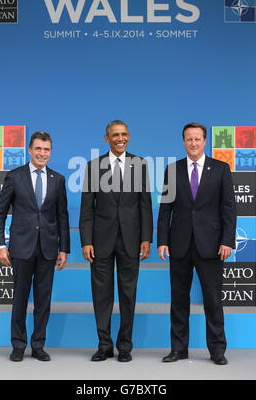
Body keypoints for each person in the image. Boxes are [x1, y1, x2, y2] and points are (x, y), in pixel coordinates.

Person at [157, 123, 236, 365]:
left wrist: (227, 240)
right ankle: (178, 349)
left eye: (198, 139)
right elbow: (165, 209)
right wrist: (162, 241)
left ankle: (217, 350)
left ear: (205, 141)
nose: (193, 143)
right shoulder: (173, 170)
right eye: (189, 139)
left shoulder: (222, 169)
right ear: (183, 142)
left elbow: (229, 209)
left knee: (213, 299)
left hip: (211, 245)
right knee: (179, 300)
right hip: (179, 244)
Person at [79, 120, 153, 362]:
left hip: (132, 240)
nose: (120, 138)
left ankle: (125, 346)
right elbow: (86, 208)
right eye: (115, 135)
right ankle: (104, 345)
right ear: (106, 138)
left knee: (128, 294)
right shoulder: (93, 166)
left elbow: (145, 205)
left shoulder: (140, 164)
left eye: (124, 134)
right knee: (101, 295)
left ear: (128, 136)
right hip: (100, 241)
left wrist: (146, 238)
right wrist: (85, 241)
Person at [0, 131, 70, 362]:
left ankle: (38, 345)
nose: (42, 153)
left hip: (48, 249)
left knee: (43, 300)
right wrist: (0, 245)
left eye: (46, 149)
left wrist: (64, 249)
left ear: (50, 152)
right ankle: (18, 345)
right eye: (38, 148)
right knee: (19, 299)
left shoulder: (58, 179)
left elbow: (62, 217)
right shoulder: (15, 176)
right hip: (20, 248)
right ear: (29, 150)